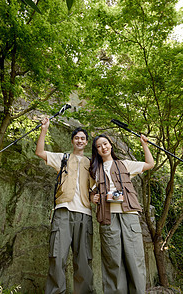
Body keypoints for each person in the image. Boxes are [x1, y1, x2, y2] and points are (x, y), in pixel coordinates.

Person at [35, 118, 95, 294]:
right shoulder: (63, 158)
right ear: (72, 141)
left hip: (85, 214)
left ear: (86, 142)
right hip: (62, 211)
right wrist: (44, 130)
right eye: (77, 138)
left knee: (84, 260)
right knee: (57, 256)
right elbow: (40, 152)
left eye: (83, 138)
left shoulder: (92, 163)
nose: (80, 141)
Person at [89, 134, 154, 294]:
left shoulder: (125, 164)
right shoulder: (94, 170)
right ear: (96, 150)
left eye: (105, 144)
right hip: (107, 218)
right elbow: (91, 191)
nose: (103, 147)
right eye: (99, 146)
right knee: (113, 262)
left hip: (129, 215)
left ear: (111, 145)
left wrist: (144, 144)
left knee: (134, 259)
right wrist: (93, 197)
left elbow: (150, 164)